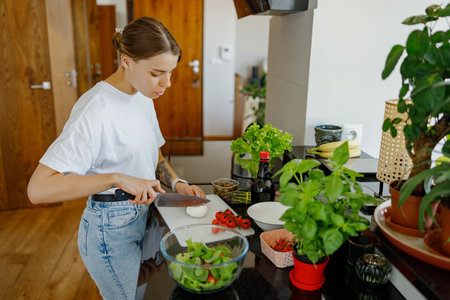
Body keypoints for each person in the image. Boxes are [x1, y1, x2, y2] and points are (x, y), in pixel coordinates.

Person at [27, 17, 205, 299]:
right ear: (126, 60)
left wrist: (178, 184)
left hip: (147, 214)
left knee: (142, 291)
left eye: (171, 72)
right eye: (157, 72)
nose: (167, 83)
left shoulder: (144, 94)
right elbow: (38, 189)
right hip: (110, 230)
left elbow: (153, 153)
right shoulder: (95, 109)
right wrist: (117, 178)